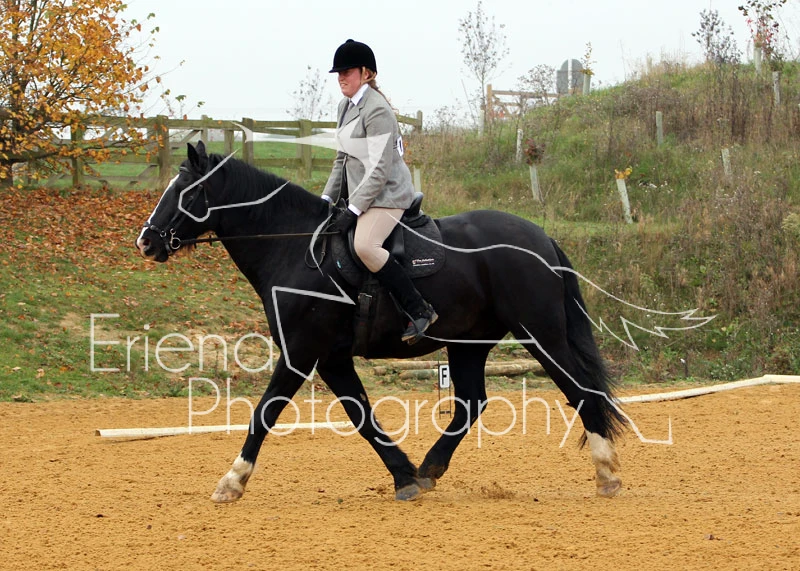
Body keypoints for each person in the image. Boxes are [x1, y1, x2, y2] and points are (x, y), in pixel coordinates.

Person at [322, 39, 437, 345]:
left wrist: (353, 209)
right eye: (338, 73)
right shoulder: (345, 107)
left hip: (388, 195)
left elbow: (380, 169)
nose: (341, 78)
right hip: (364, 193)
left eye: (347, 72)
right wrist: (325, 199)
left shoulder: (377, 110)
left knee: (365, 245)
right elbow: (341, 159)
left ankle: (419, 309)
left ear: (366, 73)